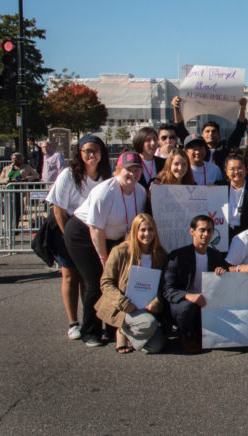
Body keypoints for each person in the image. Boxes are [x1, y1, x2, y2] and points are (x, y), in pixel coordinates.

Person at [64, 151, 147, 347]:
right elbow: (95, 229)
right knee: (97, 281)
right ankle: (90, 331)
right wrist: (103, 258)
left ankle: (112, 326)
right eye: (129, 169)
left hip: (114, 237)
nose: (133, 174)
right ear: (118, 170)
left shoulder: (140, 191)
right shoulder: (105, 191)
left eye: (137, 170)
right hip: (84, 234)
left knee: (117, 281)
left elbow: (132, 226)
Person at [46, 135, 113, 340]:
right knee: (70, 276)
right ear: (80, 153)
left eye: (96, 151)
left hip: (93, 233)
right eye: (87, 151)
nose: (92, 155)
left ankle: (90, 320)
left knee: (90, 278)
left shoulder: (105, 175)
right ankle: (73, 322)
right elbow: (59, 210)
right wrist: (68, 236)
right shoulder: (68, 174)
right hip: (68, 230)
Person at [95, 214, 167, 354]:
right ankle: (122, 329)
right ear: (135, 231)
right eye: (143, 230)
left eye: (150, 229)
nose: (147, 234)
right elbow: (106, 282)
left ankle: (128, 333)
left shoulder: (160, 254)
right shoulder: (120, 251)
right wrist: (124, 303)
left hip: (147, 308)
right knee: (149, 324)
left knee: (155, 347)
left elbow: (163, 284)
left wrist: (157, 302)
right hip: (125, 307)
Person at [163, 215, 229, 353]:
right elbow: (167, 290)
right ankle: (187, 337)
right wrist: (188, 296)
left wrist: (222, 273)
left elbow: (224, 282)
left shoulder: (216, 255)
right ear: (192, 231)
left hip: (207, 302)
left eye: (210, 230)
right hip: (184, 303)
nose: (206, 234)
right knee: (189, 306)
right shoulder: (177, 256)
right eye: (202, 230)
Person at [172, 95, 247, 169]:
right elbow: (181, 129)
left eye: (214, 131)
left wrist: (242, 108)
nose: (210, 134)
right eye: (207, 131)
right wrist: (176, 108)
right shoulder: (196, 149)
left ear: (219, 136)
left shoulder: (225, 148)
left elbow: (239, 131)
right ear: (202, 135)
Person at [221, 153, 248, 239]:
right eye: (232, 169)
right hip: (224, 234)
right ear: (226, 171)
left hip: (246, 235)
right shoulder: (220, 188)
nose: (236, 172)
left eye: (240, 168)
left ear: (246, 170)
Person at [0, 152, 40, 230]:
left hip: (20, 192)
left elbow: (36, 175)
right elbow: (0, 179)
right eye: (14, 158)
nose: (16, 160)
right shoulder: (7, 168)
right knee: (8, 210)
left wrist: (26, 179)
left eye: (18, 158)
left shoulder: (27, 167)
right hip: (9, 191)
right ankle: (8, 228)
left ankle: (15, 227)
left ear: (21, 159)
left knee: (17, 210)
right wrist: (9, 180)